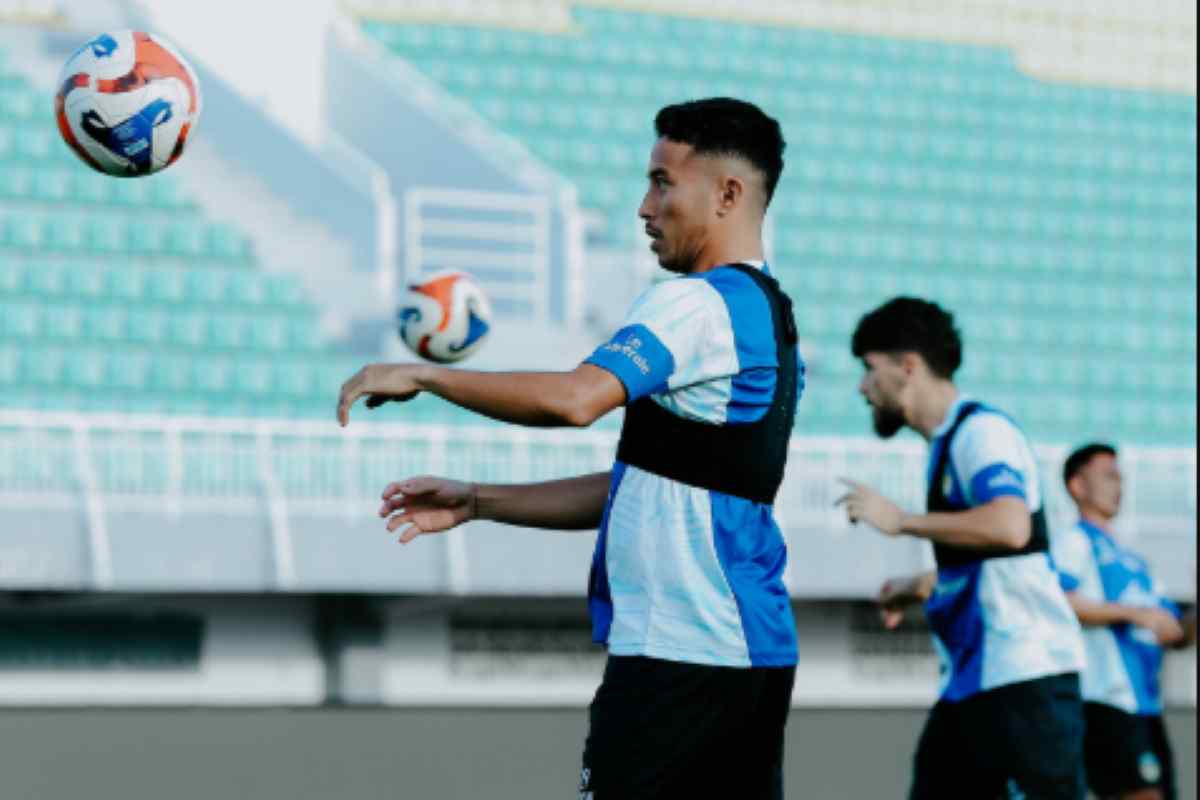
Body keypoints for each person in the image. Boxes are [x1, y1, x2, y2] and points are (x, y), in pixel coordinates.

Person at [337, 97, 803, 800]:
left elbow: (574, 399)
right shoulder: (767, 315)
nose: (645, 207)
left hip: (684, 656)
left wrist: (425, 375)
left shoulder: (695, 304)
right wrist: (477, 500)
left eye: (662, 182)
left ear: (727, 194)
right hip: (745, 652)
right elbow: (654, 484)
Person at [835, 297, 1087, 799]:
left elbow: (1010, 527)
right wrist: (918, 586)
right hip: (977, 682)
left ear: (908, 366)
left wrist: (900, 520)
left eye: (869, 369)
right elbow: (997, 561)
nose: (864, 388)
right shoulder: (947, 445)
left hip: (1022, 679)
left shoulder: (981, 433)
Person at [1052, 443, 1197, 800]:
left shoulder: (1135, 563)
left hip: (1146, 705)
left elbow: (1176, 633)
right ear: (1077, 486)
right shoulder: (1075, 542)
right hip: (1103, 700)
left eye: (1120, 477)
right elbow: (1058, 603)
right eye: (1108, 476)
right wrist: (1133, 613)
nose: (1119, 485)